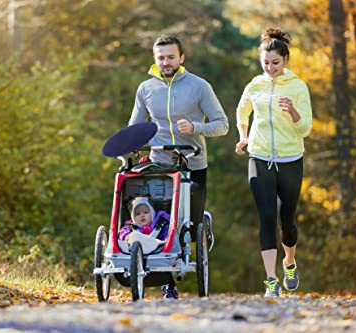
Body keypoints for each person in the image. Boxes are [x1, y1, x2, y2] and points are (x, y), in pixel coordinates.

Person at [128, 34, 229, 298]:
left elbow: (222, 125)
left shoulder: (199, 86)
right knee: (160, 223)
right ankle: (168, 284)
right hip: (159, 164)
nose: (166, 62)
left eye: (171, 57)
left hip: (192, 162)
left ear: (181, 58)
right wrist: (130, 146)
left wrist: (196, 127)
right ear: (154, 59)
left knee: (190, 226)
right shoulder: (146, 89)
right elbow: (135, 126)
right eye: (160, 57)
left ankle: (202, 220)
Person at [234, 27, 313, 297]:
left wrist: (292, 111)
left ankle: (289, 262)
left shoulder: (298, 87)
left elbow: (306, 130)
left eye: (275, 63)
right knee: (267, 216)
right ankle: (271, 280)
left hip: (291, 159)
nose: (270, 68)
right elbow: (242, 110)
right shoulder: (254, 85)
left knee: (286, 220)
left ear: (286, 60)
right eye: (265, 63)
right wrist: (243, 136)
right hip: (260, 156)